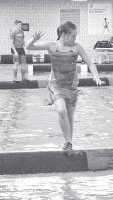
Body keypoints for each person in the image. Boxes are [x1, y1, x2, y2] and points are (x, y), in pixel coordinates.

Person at [26, 21, 102, 154]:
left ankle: (69, 143)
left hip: (72, 85)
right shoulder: (52, 46)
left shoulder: (77, 47)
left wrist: (97, 76)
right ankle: (67, 142)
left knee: (70, 117)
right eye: (73, 36)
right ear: (64, 35)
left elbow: (90, 62)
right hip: (56, 85)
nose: (75, 39)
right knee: (61, 111)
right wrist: (34, 39)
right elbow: (29, 47)